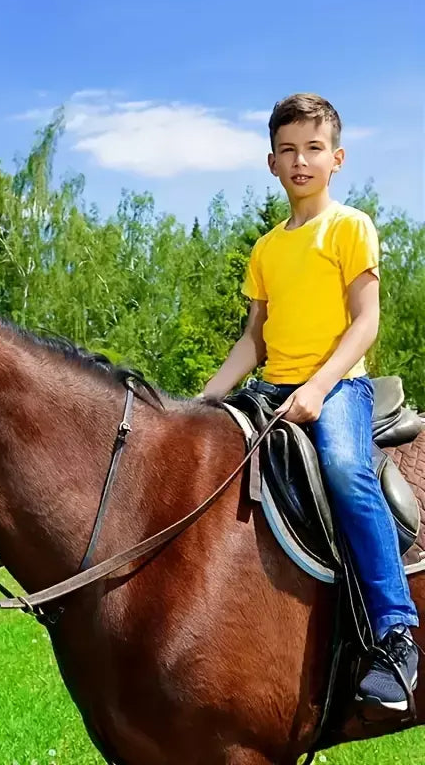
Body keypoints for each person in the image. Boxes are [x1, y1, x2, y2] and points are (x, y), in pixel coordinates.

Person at [203, 93, 418, 711]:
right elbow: (254, 340)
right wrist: (200, 400)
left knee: (348, 471)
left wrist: (318, 388)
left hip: (339, 386)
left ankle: (395, 633)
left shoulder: (350, 226)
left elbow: (365, 323)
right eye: (289, 150)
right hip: (272, 385)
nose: (301, 161)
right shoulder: (267, 249)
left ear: (337, 158)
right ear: (271, 162)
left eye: (314, 149)